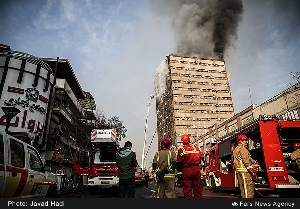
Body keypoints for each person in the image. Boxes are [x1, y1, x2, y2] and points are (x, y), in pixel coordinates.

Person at [177, 134, 204, 198]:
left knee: (187, 190)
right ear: (189, 140)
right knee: (197, 189)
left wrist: (179, 172)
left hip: (186, 170)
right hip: (196, 170)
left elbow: (180, 162)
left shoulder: (181, 150)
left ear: (182, 141)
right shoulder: (195, 148)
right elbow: (202, 157)